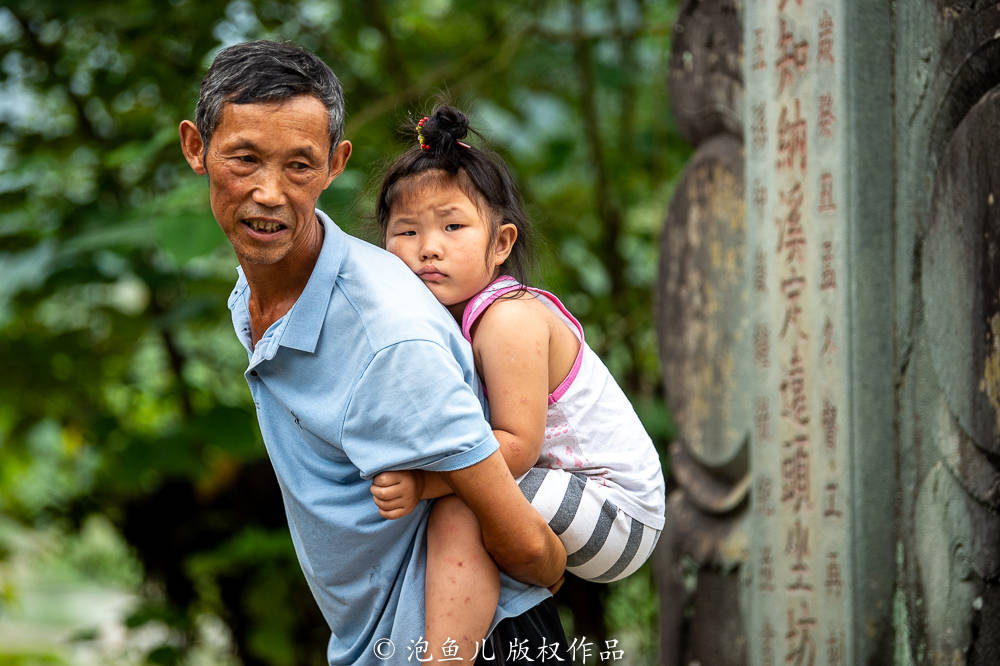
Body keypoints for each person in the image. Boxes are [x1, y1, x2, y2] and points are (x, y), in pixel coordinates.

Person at [177, 41, 568, 665]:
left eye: (299, 167)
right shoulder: (258, 295)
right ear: (196, 148)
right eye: (244, 159)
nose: (270, 193)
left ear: (335, 164)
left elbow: (523, 542)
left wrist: (550, 562)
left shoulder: (386, 338)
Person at [369, 105, 666, 661]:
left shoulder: (509, 319)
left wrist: (421, 484)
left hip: (618, 510)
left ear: (501, 244)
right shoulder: (436, 322)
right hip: (568, 494)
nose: (427, 247)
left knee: (464, 501)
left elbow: (517, 446)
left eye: (453, 227)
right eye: (406, 231)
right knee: (471, 492)